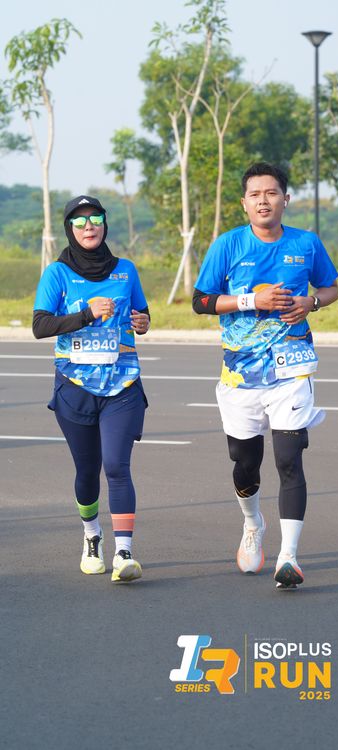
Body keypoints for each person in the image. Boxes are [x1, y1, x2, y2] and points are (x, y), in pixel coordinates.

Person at [192, 162, 338, 589]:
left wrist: (311, 303)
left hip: (291, 370)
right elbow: (201, 301)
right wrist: (249, 301)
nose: (263, 201)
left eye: (271, 193)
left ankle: (288, 557)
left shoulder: (306, 243)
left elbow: (331, 288)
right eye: (255, 194)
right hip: (240, 376)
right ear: (244, 203)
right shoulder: (228, 244)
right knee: (245, 463)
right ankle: (253, 523)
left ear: (285, 199)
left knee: (289, 459)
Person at [33, 195, 150, 582]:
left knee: (116, 465)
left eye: (95, 218)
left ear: (104, 224)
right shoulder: (57, 273)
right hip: (75, 386)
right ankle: (92, 536)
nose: (89, 226)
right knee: (87, 470)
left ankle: (124, 551)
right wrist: (86, 315)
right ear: (70, 229)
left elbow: (142, 313)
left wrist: (143, 321)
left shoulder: (125, 270)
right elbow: (40, 326)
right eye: (80, 221)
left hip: (122, 383)